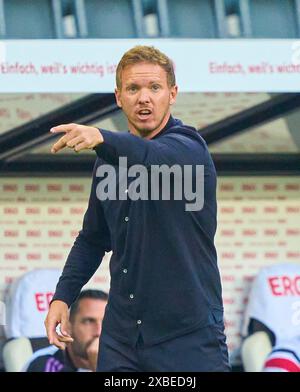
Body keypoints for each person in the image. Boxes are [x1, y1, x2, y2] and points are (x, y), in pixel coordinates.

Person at [45, 45, 230, 372]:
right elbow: (92, 240)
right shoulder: (108, 165)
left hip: (188, 336)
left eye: (154, 88)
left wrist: (101, 136)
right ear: (119, 97)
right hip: (123, 338)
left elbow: (151, 157)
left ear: (172, 94)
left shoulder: (189, 149)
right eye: (133, 88)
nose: (144, 98)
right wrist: (62, 297)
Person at [24, 289, 108, 372]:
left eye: (106, 322)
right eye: (89, 321)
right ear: (68, 326)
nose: (99, 332)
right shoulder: (46, 365)